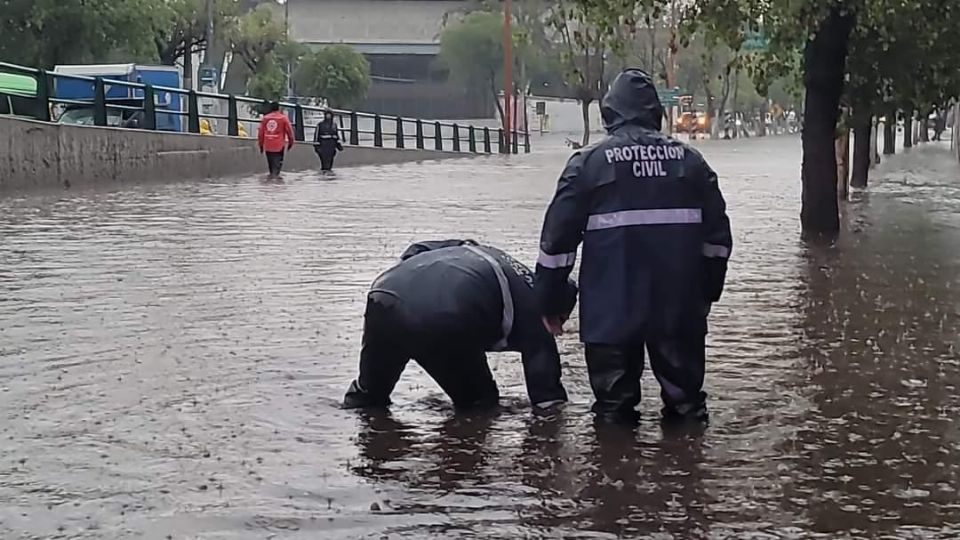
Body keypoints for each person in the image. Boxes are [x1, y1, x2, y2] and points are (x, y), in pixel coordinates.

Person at [534, 69, 733, 425]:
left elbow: (556, 246)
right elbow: (717, 242)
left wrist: (552, 304)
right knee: (688, 407)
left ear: (610, 112)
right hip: (679, 311)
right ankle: (689, 474)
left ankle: (616, 474)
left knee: (613, 411)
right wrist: (705, 295)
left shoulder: (586, 166)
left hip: (610, 314)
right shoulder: (691, 164)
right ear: (655, 113)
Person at [343, 239, 577, 411]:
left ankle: (366, 459)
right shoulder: (536, 313)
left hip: (385, 292)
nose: (558, 331)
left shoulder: (484, 251)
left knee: (368, 398)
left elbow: (417, 249)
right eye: (560, 321)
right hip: (446, 313)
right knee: (480, 406)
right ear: (554, 308)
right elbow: (547, 399)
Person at [257, 101, 295, 179]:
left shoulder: (265, 118)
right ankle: (276, 186)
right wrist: (290, 143)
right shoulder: (283, 118)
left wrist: (261, 145)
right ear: (279, 108)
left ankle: (270, 184)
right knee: (277, 168)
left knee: (271, 167)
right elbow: (290, 132)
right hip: (279, 146)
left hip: (268, 145)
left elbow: (260, 133)